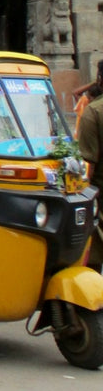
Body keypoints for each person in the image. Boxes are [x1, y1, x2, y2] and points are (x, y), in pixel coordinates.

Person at [78, 59, 103, 272]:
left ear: (100, 80)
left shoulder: (94, 113)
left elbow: (88, 166)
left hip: (99, 194)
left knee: (93, 252)